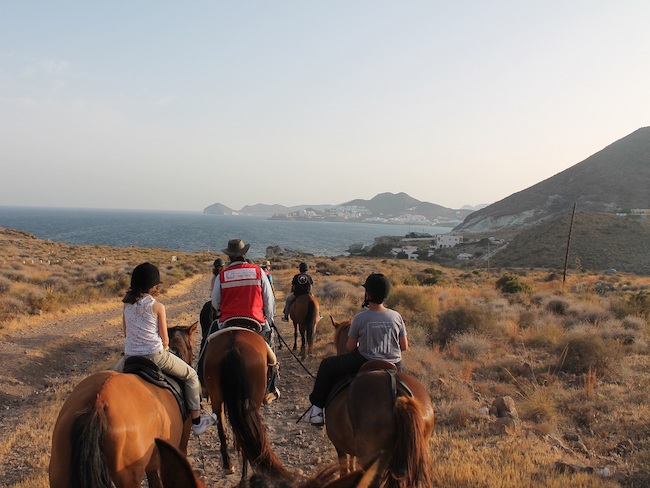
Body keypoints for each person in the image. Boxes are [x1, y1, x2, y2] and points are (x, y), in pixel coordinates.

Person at [114, 262, 217, 435]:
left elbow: (126, 333)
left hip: (129, 357)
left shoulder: (127, 306)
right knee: (191, 376)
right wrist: (166, 348)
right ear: (152, 286)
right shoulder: (157, 307)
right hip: (155, 355)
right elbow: (165, 338)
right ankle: (197, 421)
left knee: (112, 378)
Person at [305, 273, 408, 426]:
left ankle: (317, 411)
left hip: (365, 361)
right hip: (394, 364)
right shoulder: (396, 316)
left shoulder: (360, 318)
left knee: (327, 365)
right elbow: (404, 346)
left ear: (368, 294)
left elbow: (350, 347)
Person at [211, 239, 280, 403]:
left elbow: (215, 302)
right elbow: (269, 300)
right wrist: (269, 319)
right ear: (244, 254)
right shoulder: (258, 271)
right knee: (270, 346)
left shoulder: (222, 275)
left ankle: (204, 381)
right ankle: (271, 387)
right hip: (255, 321)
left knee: (208, 343)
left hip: (228, 321)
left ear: (229, 256)